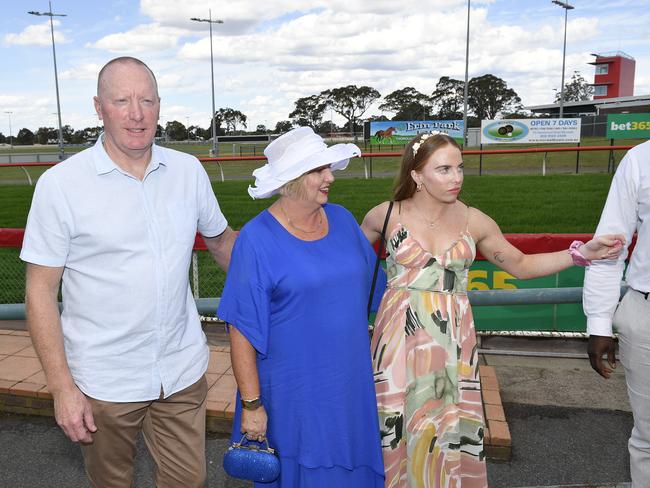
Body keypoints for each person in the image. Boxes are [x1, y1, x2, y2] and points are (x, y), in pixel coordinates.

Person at [361, 131, 624, 487]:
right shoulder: (384, 216)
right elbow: (344, 270)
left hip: (453, 341)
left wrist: (581, 254)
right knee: (396, 423)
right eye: (444, 169)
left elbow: (520, 265)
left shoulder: (475, 221)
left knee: (448, 428)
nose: (457, 178)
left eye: (460, 167)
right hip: (397, 342)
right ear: (417, 175)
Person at [20, 56, 237, 488]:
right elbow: (40, 292)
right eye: (122, 101)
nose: (137, 114)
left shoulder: (187, 171)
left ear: (160, 106)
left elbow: (222, 243)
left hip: (180, 372)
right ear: (99, 108)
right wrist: (62, 388)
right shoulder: (60, 185)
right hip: (103, 381)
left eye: (147, 100)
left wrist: (290, 270)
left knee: (188, 482)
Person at [217, 126, 386, 487]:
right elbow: (242, 331)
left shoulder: (342, 220)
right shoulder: (256, 240)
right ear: (292, 180)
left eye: (328, 168)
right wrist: (251, 405)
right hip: (292, 398)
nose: (330, 178)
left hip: (350, 387)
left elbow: (382, 292)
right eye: (317, 170)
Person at [584, 139, 650, 486]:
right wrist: (599, 323)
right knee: (648, 439)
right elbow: (610, 245)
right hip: (645, 315)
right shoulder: (640, 160)